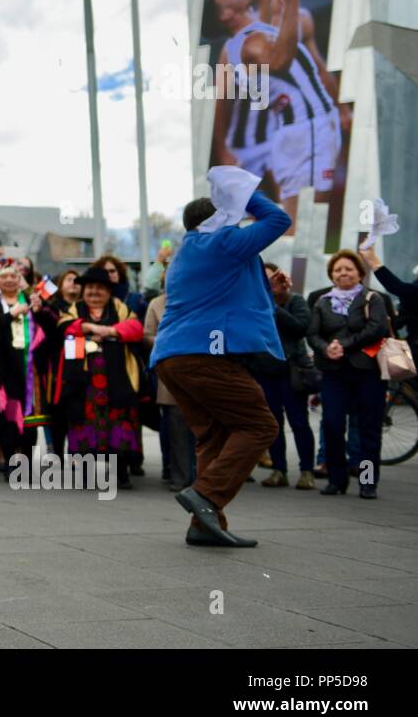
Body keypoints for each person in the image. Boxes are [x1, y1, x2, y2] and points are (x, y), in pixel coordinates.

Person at [151, 173, 290, 547]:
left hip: (174, 357)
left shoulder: (189, 249)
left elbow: (219, 297)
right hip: (204, 356)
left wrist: (268, 292)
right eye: (235, 214)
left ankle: (204, 525)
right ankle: (206, 495)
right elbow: (279, 220)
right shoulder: (222, 240)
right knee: (260, 425)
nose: (241, 221)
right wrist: (246, 196)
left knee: (213, 436)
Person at [207, 0, 340, 231]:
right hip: (306, 131)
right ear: (226, 14)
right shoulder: (248, 42)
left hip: (303, 131)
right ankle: (269, 269)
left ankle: (271, 268)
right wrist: (292, 0)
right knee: (300, 223)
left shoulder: (254, 35)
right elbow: (279, 61)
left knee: (302, 220)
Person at [306, 250, 389, 499]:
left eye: (349, 269)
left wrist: (345, 345)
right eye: (338, 270)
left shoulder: (372, 298)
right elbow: (312, 334)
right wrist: (324, 347)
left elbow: (377, 328)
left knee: (368, 430)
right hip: (334, 374)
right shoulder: (322, 302)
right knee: (332, 425)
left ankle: (367, 482)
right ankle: (336, 479)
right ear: (332, 276)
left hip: (368, 373)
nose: (344, 273)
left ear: (360, 273)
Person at [53, 267, 144, 489]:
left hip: (117, 380)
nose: (94, 292)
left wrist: (109, 332)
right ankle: (85, 473)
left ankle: (121, 472)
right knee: (83, 421)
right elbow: (64, 327)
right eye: (90, 288)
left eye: (100, 288)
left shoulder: (120, 308)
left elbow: (135, 328)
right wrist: (90, 327)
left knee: (119, 421)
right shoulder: (75, 309)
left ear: (108, 291)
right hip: (82, 382)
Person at [0, 261, 58, 474]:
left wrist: (40, 311)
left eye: (14, 276)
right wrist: (10, 315)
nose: (9, 280)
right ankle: (11, 464)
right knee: (6, 418)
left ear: (20, 280)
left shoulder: (32, 301)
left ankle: (28, 464)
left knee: (30, 420)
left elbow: (52, 326)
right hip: (4, 371)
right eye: (4, 277)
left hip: (31, 369)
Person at [257, 262, 317, 490]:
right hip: (264, 371)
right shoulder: (255, 304)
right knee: (273, 424)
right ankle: (278, 470)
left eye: (272, 279)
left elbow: (300, 327)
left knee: (299, 422)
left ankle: (307, 471)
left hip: (291, 373)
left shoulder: (295, 301)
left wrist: (273, 305)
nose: (268, 284)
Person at [142, 289, 195, 491]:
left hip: (201, 372)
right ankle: (181, 478)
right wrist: (167, 341)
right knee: (177, 430)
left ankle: (205, 478)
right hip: (171, 372)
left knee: (204, 430)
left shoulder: (201, 297)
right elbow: (147, 335)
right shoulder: (157, 303)